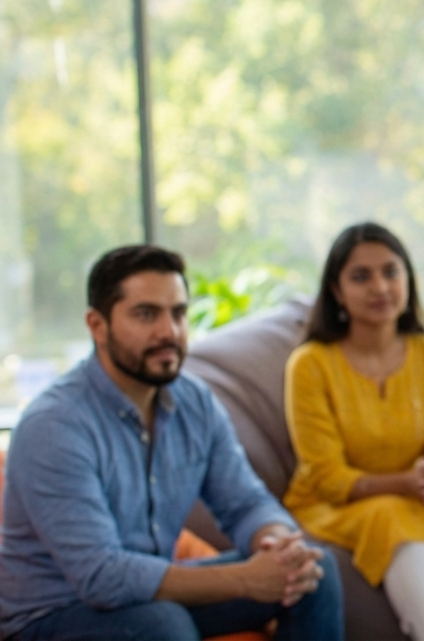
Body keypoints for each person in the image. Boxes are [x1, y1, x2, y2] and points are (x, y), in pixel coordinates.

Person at [0, 245, 343, 641]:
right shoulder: (55, 425)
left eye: (178, 313)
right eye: (146, 314)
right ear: (97, 325)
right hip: (52, 615)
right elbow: (102, 577)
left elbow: (245, 502)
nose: (169, 331)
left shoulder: (195, 402)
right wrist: (245, 580)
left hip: (147, 599)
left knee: (314, 575)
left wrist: (282, 546)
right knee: (163, 625)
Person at [283, 223, 424, 641]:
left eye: (391, 272)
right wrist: (406, 482)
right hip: (336, 505)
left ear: (408, 279)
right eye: (360, 276)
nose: (380, 286)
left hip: (421, 498)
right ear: (335, 290)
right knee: (390, 518)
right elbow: (327, 478)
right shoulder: (310, 364)